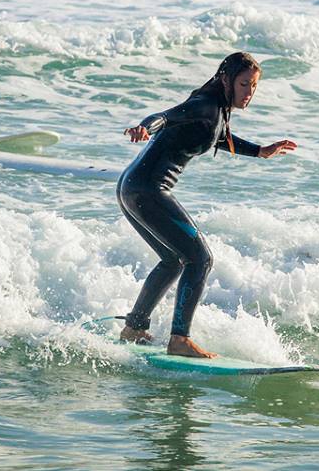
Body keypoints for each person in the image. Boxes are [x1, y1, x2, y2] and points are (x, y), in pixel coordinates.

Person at [117, 52, 297, 358]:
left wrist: (260, 151)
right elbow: (165, 117)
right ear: (225, 80)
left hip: (131, 188)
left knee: (174, 260)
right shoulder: (204, 105)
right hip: (148, 190)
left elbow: (217, 138)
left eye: (253, 86)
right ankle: (180, 340)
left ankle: (135, 327)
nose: (249, 93)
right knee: (200, 260)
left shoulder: (216, 112)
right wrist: (144, 127)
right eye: (244, 84)